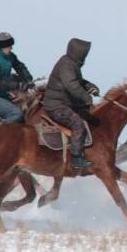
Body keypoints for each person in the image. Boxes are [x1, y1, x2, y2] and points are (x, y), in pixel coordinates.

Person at [42, 38, 100, 170]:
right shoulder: (66, 64)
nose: (85, 57)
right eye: (84, 54)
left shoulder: (71, 64)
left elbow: (78, 80)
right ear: (78, 53)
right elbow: (71, 85)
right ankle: (76, 158)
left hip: (65, 103)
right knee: (78, 124)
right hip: (56, 105)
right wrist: (86, 97)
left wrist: (89, 86)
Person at [0, 32, 33, 123]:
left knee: (27, 111)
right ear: (2, 47)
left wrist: (28, 80)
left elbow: (20, 67)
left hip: (3, 95)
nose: (11, 48)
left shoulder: (10, 56)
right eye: (9, 46)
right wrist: (18, 85)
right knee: (16, 114)